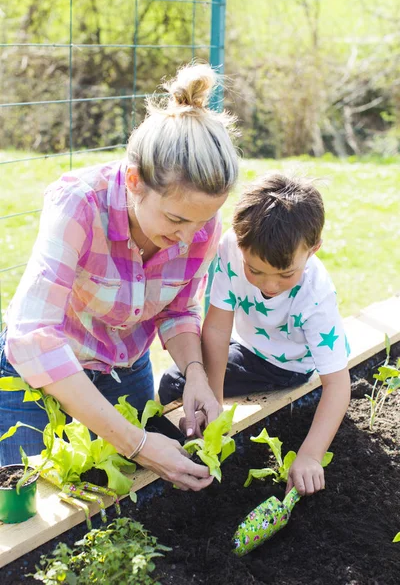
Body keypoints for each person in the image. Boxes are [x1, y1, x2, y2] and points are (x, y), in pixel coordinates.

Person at [0, 62, 239, 492]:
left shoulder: (199, 223)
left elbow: (179, 311)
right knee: (30, 512)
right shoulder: (79, 204)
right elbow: (32, 336)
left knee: (122, 501)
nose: (188, 239)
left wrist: (196, 374)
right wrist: (137, 443)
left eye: (199, 223)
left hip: (124, 369)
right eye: (175, 219)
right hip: (39, 378)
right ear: (134, 181)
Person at [159, 171, 351, 496]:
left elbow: (337, 385)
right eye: (256, 271)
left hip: (284, 365)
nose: (268, 285)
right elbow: (218, 328)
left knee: (174, 385)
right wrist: (213, 404)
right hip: (247, 345)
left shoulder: (316, 296)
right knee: (180, 384)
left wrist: (309, 456)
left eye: (285, 274)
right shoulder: (232, 248)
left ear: (314, 248)